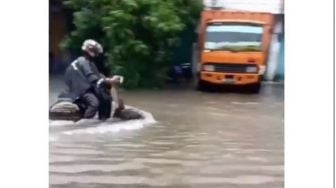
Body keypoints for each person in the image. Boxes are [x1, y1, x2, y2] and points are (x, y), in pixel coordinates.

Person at [59, 39, 122, 120]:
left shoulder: (89, 63)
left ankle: (103, 119)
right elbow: (93, 78)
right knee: (94, 104)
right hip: (80, 90)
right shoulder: (82, 61)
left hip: (85, 88)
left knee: (104, 95)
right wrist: (109, 81)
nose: (96, 54)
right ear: (90, 51)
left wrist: (110, 79)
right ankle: (86, 123)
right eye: (95, 51)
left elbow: (98, 76)